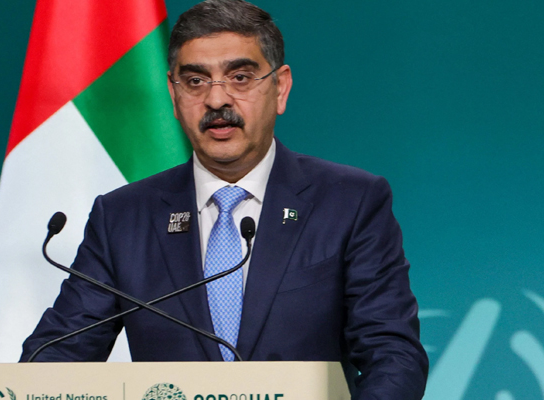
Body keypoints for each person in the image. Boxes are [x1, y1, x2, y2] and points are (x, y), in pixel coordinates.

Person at [21, 0, 428, 398]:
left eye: (241, 77)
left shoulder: (350, 201)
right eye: (196, 81)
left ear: (280, 87)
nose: (217, 101)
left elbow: (392, 354)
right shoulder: (123, 216)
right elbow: (56, 356)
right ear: (174, 94)